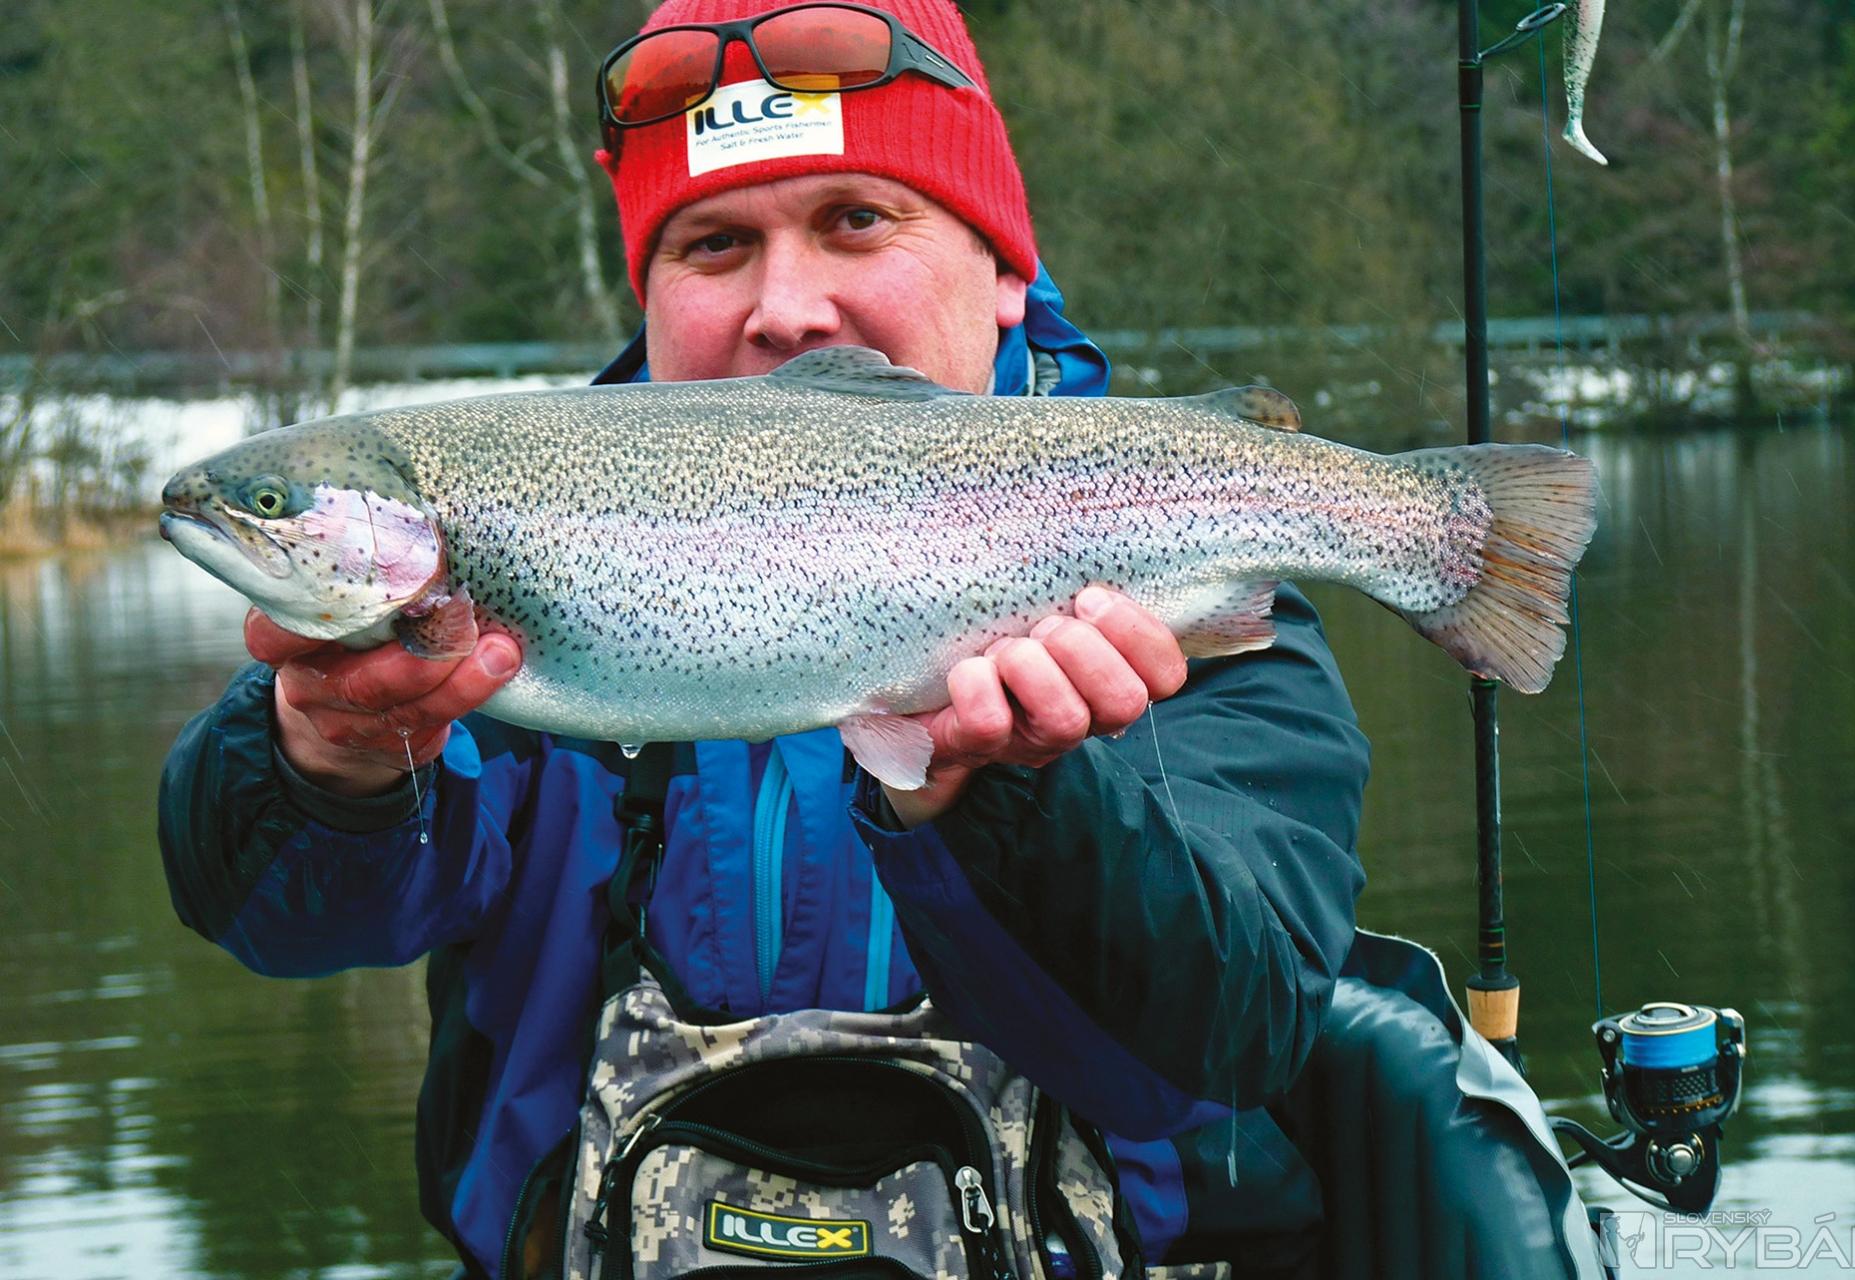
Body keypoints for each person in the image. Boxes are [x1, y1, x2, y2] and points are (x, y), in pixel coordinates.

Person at [160, 3, 1605, 1277]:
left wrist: (1017, 798)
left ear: (1005, 272)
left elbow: (1222, 1048)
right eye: (715, 244)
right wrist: (321, 766)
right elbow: (286, 918)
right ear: (646, 297)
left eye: (858, 220)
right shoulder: (458, 616)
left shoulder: (1197, 637)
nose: (788, 308)